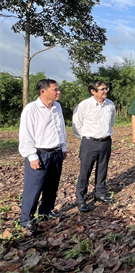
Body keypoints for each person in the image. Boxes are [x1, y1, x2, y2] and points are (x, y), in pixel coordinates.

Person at [18, 79, 67, 232]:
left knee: (52, 185)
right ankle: (26, 219)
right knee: (34, 187)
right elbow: (26, 134)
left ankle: (46, 211)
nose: (58, 92)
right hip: (40, 153)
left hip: (56, 151)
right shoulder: (31, 109)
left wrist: (63, 146)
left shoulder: (56, 107)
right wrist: (32, 156)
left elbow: (61, 128)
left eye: (58, 90)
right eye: (55, 90)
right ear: (43, 92)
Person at [72, 80, 116, 212]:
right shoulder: (84, 105)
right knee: (85, 172)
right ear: (93, 91)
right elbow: (76, 125)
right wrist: (86, 137)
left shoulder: (110, 105)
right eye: (102, 89)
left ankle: (100, 193)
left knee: (102, 169)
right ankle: (81, 199)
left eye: (106, 88)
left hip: (106, 141)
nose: (105, 91)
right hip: (89, 142)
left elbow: (111, 121)